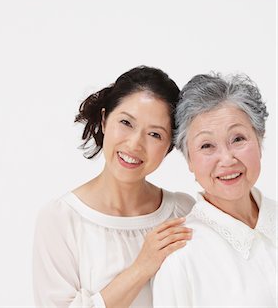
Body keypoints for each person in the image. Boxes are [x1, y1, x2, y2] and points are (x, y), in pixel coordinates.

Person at [33, 65, 195, 308]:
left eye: (155, 135)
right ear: (104, 120)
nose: (134, 144)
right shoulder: (61, 218)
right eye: (126, 123)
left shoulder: (183, 212)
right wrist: (142, 267)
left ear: (168, 148)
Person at [153, 73, 277, 308]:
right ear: (189, 160)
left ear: (259, 140)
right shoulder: (182, 257)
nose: (227, 159)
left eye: (238, 139)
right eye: (207, 145)